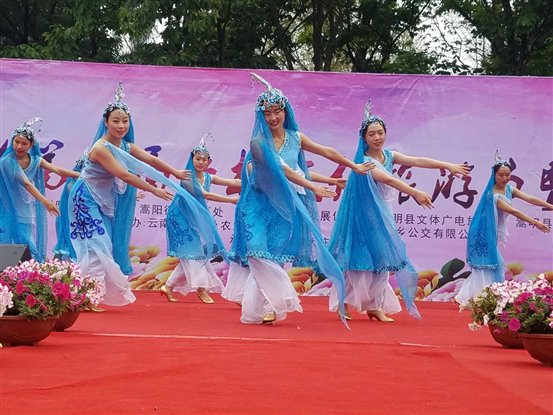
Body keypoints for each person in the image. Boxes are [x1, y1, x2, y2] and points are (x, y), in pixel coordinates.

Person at [227, 73, 368, 325]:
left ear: (285, 111)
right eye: (267, 113)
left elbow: (325, 152)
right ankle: (282, 299)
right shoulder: (258, 143)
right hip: (256, 205)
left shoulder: (295, 137)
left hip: (285, 205)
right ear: (261, 116)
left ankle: (268, 308)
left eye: (277, 111)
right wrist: (313, 187)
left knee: (274, 256)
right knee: (257, 254)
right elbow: (283, 171)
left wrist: (351, 166)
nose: (273, 117)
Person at [68, 84, 220, 309]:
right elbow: (124, 175)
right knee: (97, 246)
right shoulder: (100, 148)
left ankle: (86, 295)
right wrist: (154, 189)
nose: (121, 125)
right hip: (84, 200)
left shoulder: (126, 146)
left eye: (125, 121)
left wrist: (176, 172)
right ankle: (86, 297)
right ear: (106, 122)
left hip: (102, 199)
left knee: (103, 246)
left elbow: (151, 160)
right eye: (116, 121)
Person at [329, 100, 470, 322]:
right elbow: (388, 179)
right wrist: (415, 192)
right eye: (372, 134)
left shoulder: (389, 155)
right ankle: (343, 301)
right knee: (358, 260)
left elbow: (418, 160)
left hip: (383, 214)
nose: (377, 137)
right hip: (363, 216)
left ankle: (375, 306)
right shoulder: (365, 162)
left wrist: (447, 165)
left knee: (384, 259)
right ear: (363, 138)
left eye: (380, 133)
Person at [455, 152, 552, 306]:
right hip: (482, 234)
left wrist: (549, 206)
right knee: (493, 264)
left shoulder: (509, 189)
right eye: (501, 175)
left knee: (492, 264)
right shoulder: (492, 195)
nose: (504, 178)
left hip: (491, 233)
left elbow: (529, 198)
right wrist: (536, 223)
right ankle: (483, 298)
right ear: (494, 175)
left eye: (508, 175)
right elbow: (514, 211)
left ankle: (477, 297)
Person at [161, 134, 238, 304]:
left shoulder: (208, 177)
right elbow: (205, 195)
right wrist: (230, 200)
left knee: (193, 254)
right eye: (198, 159)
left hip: (194, 220)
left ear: (208, 161)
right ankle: (201, 289)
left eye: (204, 159)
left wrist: (252, 181)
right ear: (192, 159)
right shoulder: (187, 178)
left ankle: (168, 286)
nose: (201, 162)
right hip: (179, 219)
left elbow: (232, 182)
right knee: (195, 254)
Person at [0, 118, 79, 262]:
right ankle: (32, 266)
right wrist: (45, 201)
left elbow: (58, 170)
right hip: (7, 207)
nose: (19, 146)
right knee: (20, 240)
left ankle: (29, 269)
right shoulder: (7, 161)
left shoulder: (35, 159)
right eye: (16, 142)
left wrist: (82, 176)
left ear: (31, 145)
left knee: (25, 240)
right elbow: (26, 183)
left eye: (24, 143)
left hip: (26, 206)